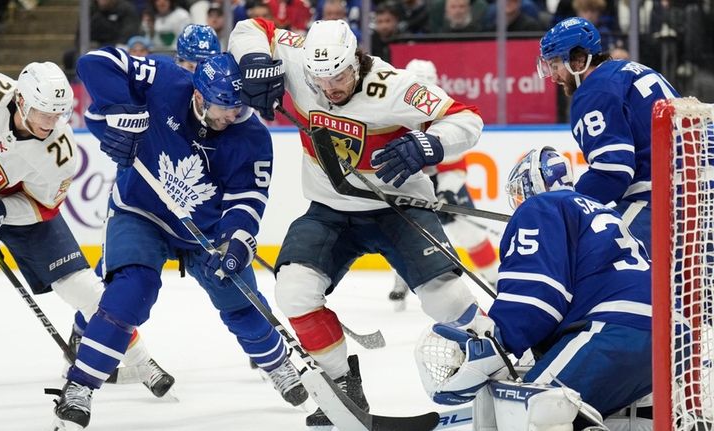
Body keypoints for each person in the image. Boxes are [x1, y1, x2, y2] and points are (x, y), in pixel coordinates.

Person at [229, 18, 484, 427]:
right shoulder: (298, 60)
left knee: (447, 300)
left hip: (398, 208)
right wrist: (256, 60)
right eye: (319, 80)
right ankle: (341, 384)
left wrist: (429, 142)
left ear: (357, 61)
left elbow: (468, 119)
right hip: (331, 210)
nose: (330, 89)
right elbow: (251, 26)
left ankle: (499, 361)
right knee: (294, 291)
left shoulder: (394, 86)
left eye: (339, 77)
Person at [52, 49, 308, 429]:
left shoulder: (251, 135)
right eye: (222, 108)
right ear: (199, 96)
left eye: (235, 108)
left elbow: (248, 199)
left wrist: (235, 241)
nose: (230, 116)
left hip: (204, 230)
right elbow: (94, 63)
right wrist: (124, 113)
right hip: (142, 212)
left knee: (241, 300)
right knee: (128, 294)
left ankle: (279, 366)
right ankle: (80, 387)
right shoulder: (165, 80)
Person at [0, 51, 173, 397]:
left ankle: (142, 359)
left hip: (16, 207)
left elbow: (43, 205)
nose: (49, 123)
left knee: (83, 288)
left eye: (57, 114)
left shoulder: (60, 153)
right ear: (20, 100)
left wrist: (0, 211)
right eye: (42, 113)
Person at [415, 147, 652, 428]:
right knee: (621, 421)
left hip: (613, 331)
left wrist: (498, 339)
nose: (518, 202)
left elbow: (537, 296)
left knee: (528, 415)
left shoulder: (541, 206)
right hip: (665, 340)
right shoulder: (602, 212)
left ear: (530, 184)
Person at [537, 16, 680, 253]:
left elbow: (612, 172)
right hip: (698, 190)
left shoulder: (594, 91)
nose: (553, 77)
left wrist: (568, 206)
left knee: (604, 264)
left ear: (579, 60)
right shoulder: (629, 70)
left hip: (660, 198)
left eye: (555, 65)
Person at [388, 59, 499, 311]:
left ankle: (494, 278)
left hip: (443, 183)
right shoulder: (393, 112)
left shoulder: (443, 112)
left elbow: (455, 164)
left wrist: (447, 192)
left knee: (469, 234)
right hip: (411, 182)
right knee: (407, 234)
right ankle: (401, 280)